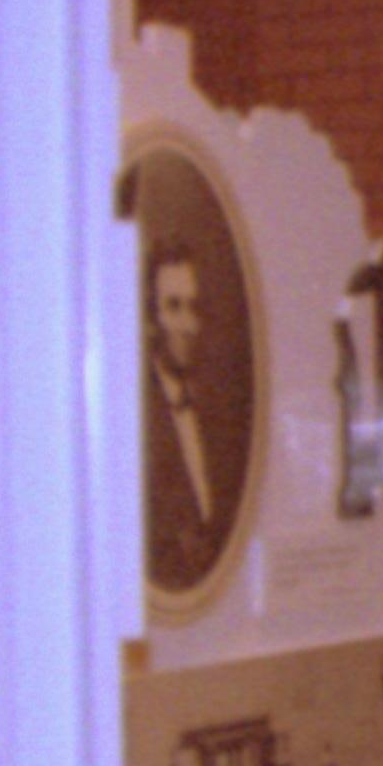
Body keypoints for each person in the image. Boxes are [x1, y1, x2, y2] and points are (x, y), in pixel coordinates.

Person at [144, 230, 242, 593]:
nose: (187, 324)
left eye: (193, 307)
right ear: (150, 319)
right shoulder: (138, 427)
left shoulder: (215, 417)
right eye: (173, 306)